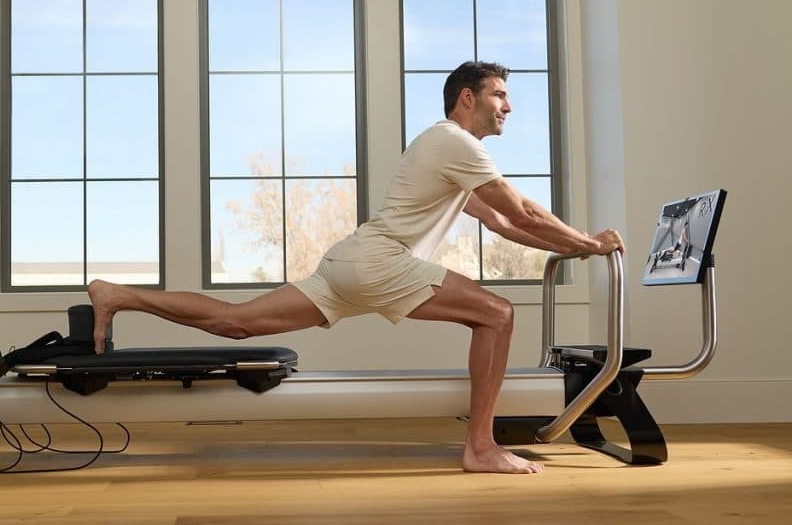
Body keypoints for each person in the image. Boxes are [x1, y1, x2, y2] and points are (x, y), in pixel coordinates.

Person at [88, 61, 624, 475]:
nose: (509, 106)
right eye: (499, 94)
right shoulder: (455, 142)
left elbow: (505, 225)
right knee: (498, 315)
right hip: (380, 262)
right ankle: (481, 446)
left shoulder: (444, 150)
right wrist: (590, 242)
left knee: (236, 322)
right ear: (468, 97)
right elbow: (522, 209)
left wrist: (575, 248)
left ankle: (118, 295)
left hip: (351, 261)